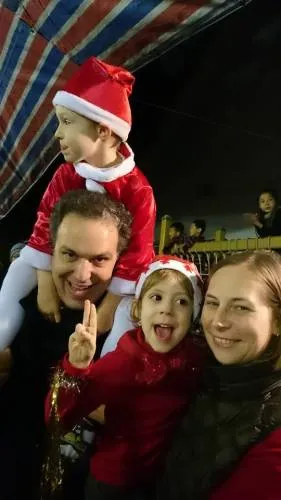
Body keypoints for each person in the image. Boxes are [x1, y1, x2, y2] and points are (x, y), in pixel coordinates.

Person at [0, 56, 156, 350]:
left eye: (68, 122)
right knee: (17, 273)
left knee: (126, 316)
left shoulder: (138, 189)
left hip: (113, 290)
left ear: (103, 130)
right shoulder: (65, 174)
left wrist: (108, 308)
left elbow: (137, 254)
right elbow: (44, 224)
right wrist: (45, 281)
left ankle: (109, 374)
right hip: (58, 284)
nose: (58, 132)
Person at [0, 190, 134, 500]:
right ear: (51, 251)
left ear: (119, 261)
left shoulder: (136, 330)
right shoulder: (16, 307)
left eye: (99, 259)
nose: (82, 276)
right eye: (69, 255)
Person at [45, 256, 206, 500]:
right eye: (156, 297)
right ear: (138, 308)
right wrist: (76, 367)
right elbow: (57, 418)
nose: (167, 309)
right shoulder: (121, 363)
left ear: (193, 314)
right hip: (112, 485)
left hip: (164, 480)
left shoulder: (195, 359)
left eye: (182, 301)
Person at [157, 250, 281, 500]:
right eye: (212, 303)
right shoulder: (201, 375)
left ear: (277, 321)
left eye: (241, 307)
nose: (218, 322)